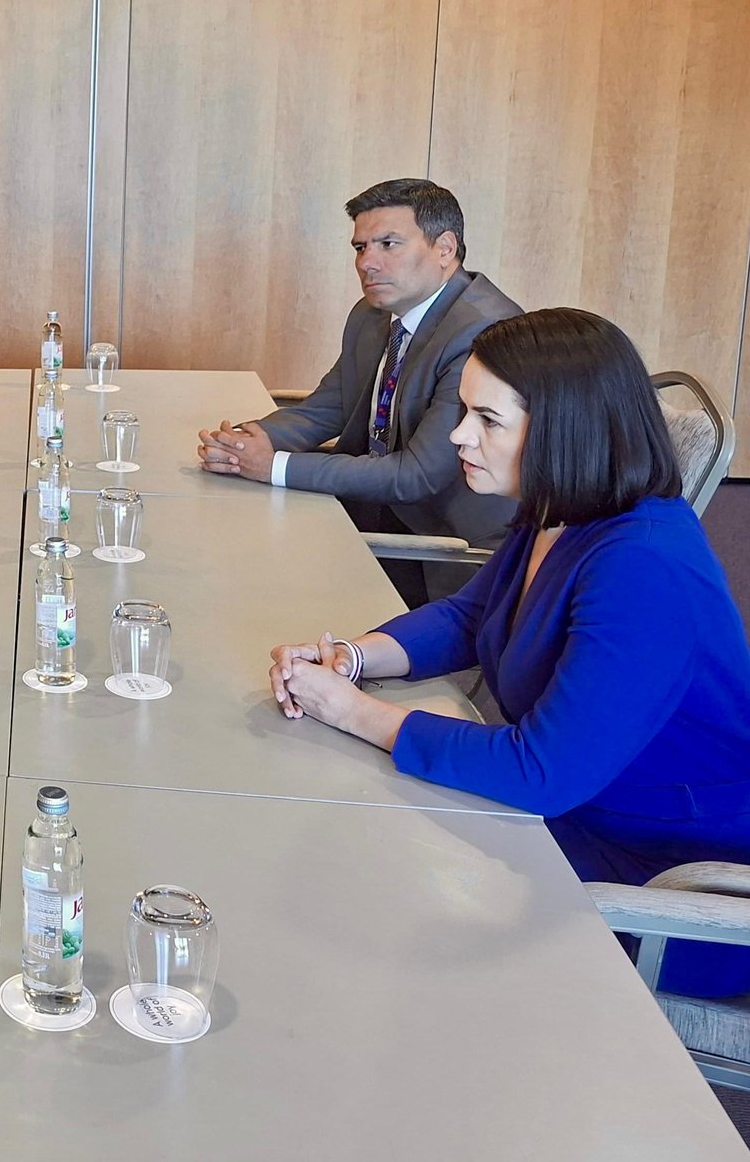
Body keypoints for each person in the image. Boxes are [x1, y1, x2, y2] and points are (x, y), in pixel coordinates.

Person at [267, 309, 750, 995]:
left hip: (671, 887)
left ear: (563, 430)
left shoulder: (644, 567)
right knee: (352, 851)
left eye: (487, 420)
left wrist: (351, 712)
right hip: (574, 821)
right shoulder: (563, 511)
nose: (460, 435)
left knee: (367, 899)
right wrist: (353, 659)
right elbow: (473, 617)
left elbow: (540, 772)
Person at [199, 179, 521, 603]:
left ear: (444, 248)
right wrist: (243, 443)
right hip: (371, 511)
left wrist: (273, 466)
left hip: (444, 547)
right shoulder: (373, 315)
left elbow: (418, 475)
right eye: (360, 247)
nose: (367, 263)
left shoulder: (483, 331)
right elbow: (330, 406)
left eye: (388, 244)